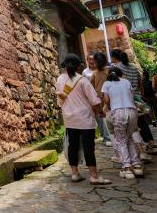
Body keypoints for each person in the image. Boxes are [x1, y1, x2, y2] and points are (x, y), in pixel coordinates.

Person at [55, 54, 111, 185]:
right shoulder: (82, 80)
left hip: (69, 119)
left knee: (73, 146)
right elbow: (94, 100)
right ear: (78, 66)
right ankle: (93, 176)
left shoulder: (59, 79)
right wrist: (100, 112)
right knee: (88, 147)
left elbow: (59, 100)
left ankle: (75, 173)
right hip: (85, 118)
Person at [111, 49, 157, 156]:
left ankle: (138, 151)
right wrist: (141, 95)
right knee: (141, 121)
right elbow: (140, 82)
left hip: (126, 99)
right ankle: (150, 142)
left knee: (131, 125)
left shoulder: (117, 68)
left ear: (114, 57)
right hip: (137, 98)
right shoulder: (133, 67)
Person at [101, 66, 142, 179]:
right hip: (132, 111)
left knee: (121, 141)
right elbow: (132, 97)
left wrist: (108, 107)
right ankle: (137, 165)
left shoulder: (107, 84)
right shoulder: (126, 82)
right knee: (129, 138)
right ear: (120, 74)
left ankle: (127, 167)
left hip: (118, 112)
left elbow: (106, 100)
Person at [88, 52, 112, 147]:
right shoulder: (108, 71)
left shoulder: (97, 73)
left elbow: (91, 87)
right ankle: (106, 137)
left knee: (102, 118)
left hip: (102, 98)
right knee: (104, 117)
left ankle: (107, 137)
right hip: (104, 98)